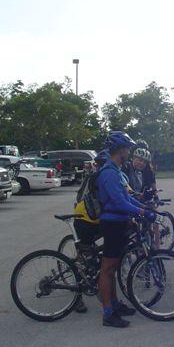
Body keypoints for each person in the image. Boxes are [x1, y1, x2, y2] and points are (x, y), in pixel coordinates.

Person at [97, 131, 156, 328]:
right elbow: (119, 202)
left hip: (119, 222)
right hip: (112, 223)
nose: (129, 153)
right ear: (120, 150)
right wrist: (141, 211)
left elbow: (127, 197)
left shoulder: (118, 171)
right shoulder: (109, 173)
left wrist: (144, 208)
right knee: (107, 269)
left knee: (113, 268)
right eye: (127, 149)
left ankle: (115, 304)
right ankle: (107, 313)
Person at [70, 150, 109, 314]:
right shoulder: (95, 178)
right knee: (84, 258)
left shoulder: (113, 175)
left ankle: (102, 285)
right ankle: (77, 296)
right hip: (84, 220)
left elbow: (126, 192)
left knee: (100, 255)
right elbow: (82, 198)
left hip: (99, 221)